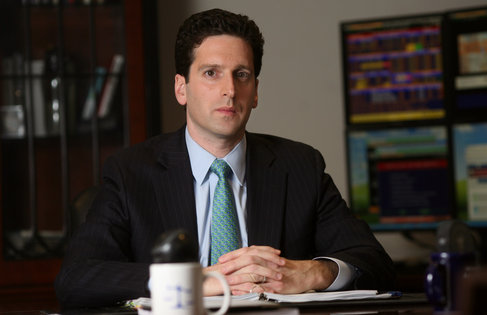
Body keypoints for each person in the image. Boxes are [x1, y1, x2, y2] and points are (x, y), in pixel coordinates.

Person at [55, 8, 397, 308]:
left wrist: (316, 272)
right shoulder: (131, 171)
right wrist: (199, 282)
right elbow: (77, 278)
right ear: (181, 88)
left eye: (242, 75)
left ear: (256, 91)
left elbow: (376, 263)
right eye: (211, 73)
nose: (230, 90)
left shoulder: (300, 166)